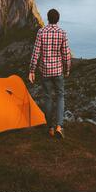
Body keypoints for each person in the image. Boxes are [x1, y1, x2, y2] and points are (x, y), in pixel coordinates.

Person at [29, 9, 71, 139]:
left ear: (48, 18)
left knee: (47, 97)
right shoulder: (62, 33)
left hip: (45, 70)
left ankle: (50, 128)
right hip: (58, 70)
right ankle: (59, 126)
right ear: (57, 19)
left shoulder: (41, 32)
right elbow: (66, 54)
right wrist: (67, 68)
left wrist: (32, 70)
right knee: (60, 96)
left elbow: (36, 52)